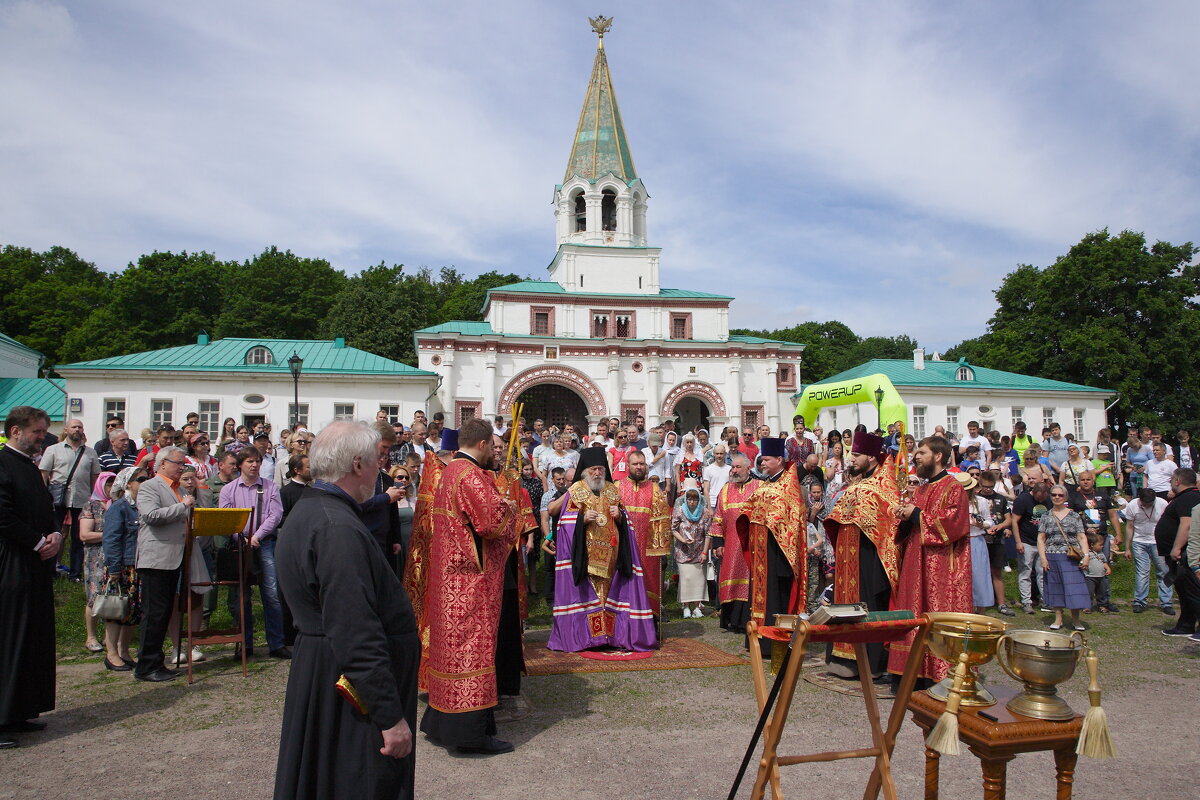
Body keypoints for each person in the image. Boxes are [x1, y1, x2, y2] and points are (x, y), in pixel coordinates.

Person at [274, 421, 418, 799]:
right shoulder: (335, 527)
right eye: (376, 461)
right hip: (347, 689)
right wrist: (389, 717)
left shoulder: (314, 511)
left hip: (325, 669)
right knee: (354, 780)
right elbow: (355, 629)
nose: (379, 471)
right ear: (357, 465)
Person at [420, 418, 519, 755]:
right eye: (493, 446)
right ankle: (470, 736)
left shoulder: (449, 470)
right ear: (481, 445)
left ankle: (438, 723)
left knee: (450, 651)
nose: (495, 451)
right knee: (471, 652)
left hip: (449, 577)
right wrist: (512, 509)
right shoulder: (471, 475)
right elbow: (492, 522)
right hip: (470, 581)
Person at [547, 446, 656, 653]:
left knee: (609, 596)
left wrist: (620, 516)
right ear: (585, 471)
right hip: (586, 557)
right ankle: (589, 638)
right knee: (589, 598)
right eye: (593, 469)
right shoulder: (576, 490)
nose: (597, 473)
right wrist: (581, 519)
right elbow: (562, 522)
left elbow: (626, 523)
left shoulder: (612, 490)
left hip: (611, 558)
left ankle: (611, 636)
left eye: (600, 469)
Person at [888, 436, 972, 684]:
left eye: (922, 453)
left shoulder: (953, 487)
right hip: (917, 562)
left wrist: (915, 514)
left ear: (938, 456)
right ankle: (913, 672)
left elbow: (953, 524)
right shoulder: (922, 488)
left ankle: (938, 673)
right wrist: (904, 517)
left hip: (941, 566)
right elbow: (913, 522)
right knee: (914, 613)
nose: (917, 456)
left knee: (936, 615)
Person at [0, 407, 61, 748]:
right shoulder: (2, 464)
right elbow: (3, 516)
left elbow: (45, 510)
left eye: (43, 431)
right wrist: (39, 541)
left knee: (31, 636)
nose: (42, 437)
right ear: (15, 431)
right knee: (9, 637)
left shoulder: (30, 467)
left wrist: (55, 535)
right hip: (11, 562)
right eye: (37, 431)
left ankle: (19, 710)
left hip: (36, 562)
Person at [822, 432, 899, 680]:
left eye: (857, 454)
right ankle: (843, 657)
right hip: (848, 557)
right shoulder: (858, 483)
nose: (851, 459)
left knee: (867, 604)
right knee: (843, 603)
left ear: (872, 457)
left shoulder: (885, 484)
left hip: (869, 559)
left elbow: (887, 523)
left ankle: (870, 663)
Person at [737, 438, 805, 655]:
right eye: (761, 460)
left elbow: (786, 519)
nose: (762, 464)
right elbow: (750, 508)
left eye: (766, 460)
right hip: (762, 553)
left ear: (779, 460)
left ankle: (774, 643)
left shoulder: (788, 485)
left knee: (777, 597)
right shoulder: (767, 484)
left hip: (778, 555)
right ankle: (758, 640)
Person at [219, 447, 287, 659]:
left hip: (264, 543)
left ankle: (276, 643)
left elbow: (275, 515)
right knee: (241, 596)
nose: (254, 465)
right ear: (240, 464)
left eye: (257, 461)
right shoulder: (228, 490)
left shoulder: (270, 487)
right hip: (238, 544)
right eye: (249, 461)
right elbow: (226, 519)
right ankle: (245, 644)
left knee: (272, 594)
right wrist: (242, 538)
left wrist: (257, 536)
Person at [133, 446, 194, 682]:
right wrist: (183, 506)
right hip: (156, 559)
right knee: (155, 613)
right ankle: (146, 666)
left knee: (164, 612)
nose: (182, 467)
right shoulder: (150, 486)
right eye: (178, 463)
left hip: (173, 557)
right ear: (163, 463)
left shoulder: (178, 489)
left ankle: (155, 661)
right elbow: (151, 516)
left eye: (183, 463)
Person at [39, 418, 101, 582]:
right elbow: (44, 473)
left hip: (82, 499)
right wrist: (44, 495)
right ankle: (50, 571)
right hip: (56, 500)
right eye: (74, 427)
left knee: (78, 538)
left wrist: (94, 497)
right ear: (66, 430)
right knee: (53, 534)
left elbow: (95, 476)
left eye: (80, 427)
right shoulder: (53, 449)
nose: (77, 429)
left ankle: (75, 574)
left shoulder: (90, 452)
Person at [617, 450, 671, 623]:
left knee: (649, 584)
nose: (639, 467)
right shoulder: (617, 487)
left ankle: (648, 629)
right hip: (624, 549)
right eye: (635, 464)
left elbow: (662, 520)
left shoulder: (654, 489)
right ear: (628, 465)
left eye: (642, 463)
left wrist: (660, 549)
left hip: (648, 550)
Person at [710, 453, 759, 632]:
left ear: (748, 468)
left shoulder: (759, 487)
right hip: (730, 545)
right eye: (733, 467)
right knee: (730, 578)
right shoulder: (725, 490)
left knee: (749, 580)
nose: (734, 470)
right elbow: (718, 518)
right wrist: (718, 544)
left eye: (738, 467)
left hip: (751, 545)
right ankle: (731, 620)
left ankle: (747, 619)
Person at [100, 467, 142, 671]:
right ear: (128, 484)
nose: (144, 483)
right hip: (122, 566)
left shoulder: (141, 506)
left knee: (132, 611)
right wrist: (114, 568)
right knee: (116, 610)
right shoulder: (119, 507)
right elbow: (111, 539)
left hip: (138, 564)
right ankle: (111, 653)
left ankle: (124, 650)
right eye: (140, 479)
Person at [1038, 485, 1091, 631]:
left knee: (1074, 588)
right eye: (1054, 495)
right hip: (1052, 556)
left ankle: (1076, 620)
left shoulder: (1074, 516)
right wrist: (1043, 558)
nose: (1057, 497)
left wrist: (1086, 556)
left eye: (1060, 495)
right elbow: (1041, 538)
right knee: (1056, 588)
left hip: (1071, 557)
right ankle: (1058, 618)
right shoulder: (1045, 516)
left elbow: (1081, 537)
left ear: (1065, 497)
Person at [78, 471, 118, 653]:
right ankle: (91, 636)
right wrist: (110, 536)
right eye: (108, 484)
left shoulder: (117, 505)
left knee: (113, 595)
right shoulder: (91, 505)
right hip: (95, 556)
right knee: (94, 596)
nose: (111, 488)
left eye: (113, 484)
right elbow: (85, 534)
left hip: (114, 555)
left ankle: (109, 637)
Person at [1159, 469, 1200, 637]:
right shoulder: (1184, 497)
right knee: (1184, 591)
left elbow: (1187, 525)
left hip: (1184, 553)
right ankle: (1186, 625)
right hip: (1178, 555)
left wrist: (1176, 548)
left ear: (1177, 481)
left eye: (1172, 479)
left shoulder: (1189, 497)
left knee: (1193, 591)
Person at [1121, 487, 1172, 614]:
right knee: (1142, 572)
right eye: (1145, 503)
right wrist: (1127, 548)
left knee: (1163, 572)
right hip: (1139, 542)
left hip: (1158, 542)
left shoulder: (1162, 503)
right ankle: (1139, 601)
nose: (1147, 505)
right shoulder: (1133, 505)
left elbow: (1168, 524)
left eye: (1150, 504)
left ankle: (1166, 603)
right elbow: (1129, 526)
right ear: (1140, 499)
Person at [672, 478, 713, 619]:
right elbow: (673, 529)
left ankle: (696, 607)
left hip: (698, 550)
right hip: (683, 550)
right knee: (686, 579)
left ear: (698, 500)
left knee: (698, 580)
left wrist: (704, 552)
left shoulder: (705, 512)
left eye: (694, 499)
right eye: (689, 499)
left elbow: (708, 534)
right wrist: (683, 539)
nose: (691, 502)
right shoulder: (679, 511)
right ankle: (685, 607)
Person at [977, 471, 1016, 616]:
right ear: (980, 484)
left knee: (997, 572)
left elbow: (1008, 519)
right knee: (978, 573)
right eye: (985, 486)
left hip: (997, 539)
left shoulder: (1000, 498)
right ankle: (979, 603)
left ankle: (1001, 603)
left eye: (991, 486)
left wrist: (1000, 527)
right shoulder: (976, 498)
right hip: (981, 539)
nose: (988, 489)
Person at [958, 472, 996, 613]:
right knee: (961, 577)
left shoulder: (981, 502)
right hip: (960, 542)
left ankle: (981, 610)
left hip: (976, 540)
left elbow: (989, 521)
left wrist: (981, 524)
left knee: (979, 576)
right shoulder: (954, 503)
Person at [1012, 480, 1050, 613]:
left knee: (1043, 571)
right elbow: (1015, 521)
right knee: (1025, 571)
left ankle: (1046, 600)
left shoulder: (1048, 500)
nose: (1040, 500)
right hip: (1026, 541)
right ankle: (1026, 601)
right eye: (1038, 497)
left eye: (1043, 498)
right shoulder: (1023, 500)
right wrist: (1018, 541)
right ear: (1034, 492)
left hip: (1042, 542)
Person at [1083, 535, 1115, 612]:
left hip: (1101, 576)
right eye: (1100, 545)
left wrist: (1107, 568)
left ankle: (1102, 605)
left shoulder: (1101, 554)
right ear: (1092, 545)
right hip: (1090, 576)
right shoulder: (1087, 553)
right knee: (1089, 592)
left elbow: (1104, 562)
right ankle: (1087, 606)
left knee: (1102, 592)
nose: (1102, 546)